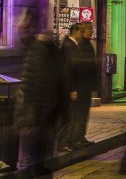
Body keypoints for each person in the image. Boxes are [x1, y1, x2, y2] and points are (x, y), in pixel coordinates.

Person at [16, 30, 65, 176]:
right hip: (46, 116)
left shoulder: (38, 51)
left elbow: (34, 86)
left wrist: (29, 117)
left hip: (37, 115)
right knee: (42, 159)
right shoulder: (53, 52)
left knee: (32, 159)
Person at [58, 22, 95, 152]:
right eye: (81, 31)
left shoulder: (75, 45)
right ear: (76, 32)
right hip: (75, 87)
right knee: (70, 115)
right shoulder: (69, 46)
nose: (83, 34)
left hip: (80, 86)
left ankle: (72, 140)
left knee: (76, 115)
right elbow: (67, 69)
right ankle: (65, 142)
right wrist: (72, 88)